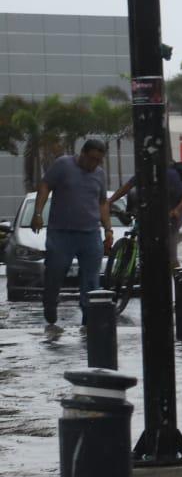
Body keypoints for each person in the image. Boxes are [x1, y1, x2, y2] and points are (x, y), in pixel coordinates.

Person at [31, 139, 114, 334]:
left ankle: (89, 319)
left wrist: (108, 229)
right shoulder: (63, 165)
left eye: (98, 160)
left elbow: (102, 202)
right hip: (61, 233)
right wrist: (37, 213)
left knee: (92, 279)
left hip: (90, 234)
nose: (94, 164)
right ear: (82, 153)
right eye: (92, 159)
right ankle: (50, 304)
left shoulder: (99, 174)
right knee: (55, 272)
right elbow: (45, 186)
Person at [110, 163, 182, 267]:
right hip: (153, 211)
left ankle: (175, 275)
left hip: (171, 215)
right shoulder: (143, 173)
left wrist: (176, 210)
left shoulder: (170, 175)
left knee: (170, 255)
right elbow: (126, 188)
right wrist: (109, 201)